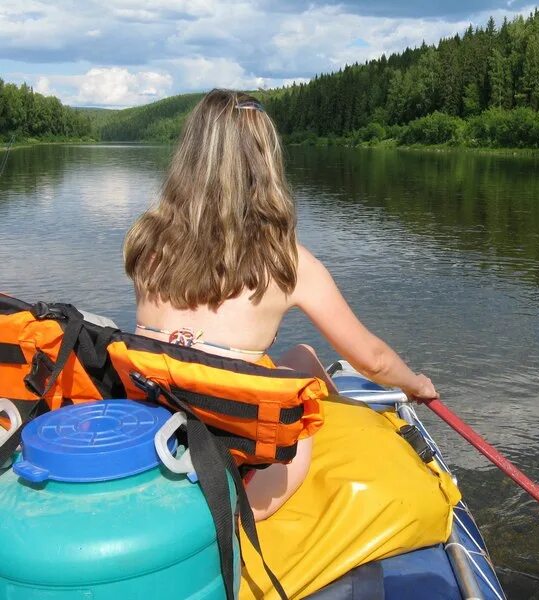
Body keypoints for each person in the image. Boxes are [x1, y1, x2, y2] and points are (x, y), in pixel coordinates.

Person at [123, 89, 438, 520]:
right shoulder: (285, 260)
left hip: (170, 432)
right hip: (248, 477)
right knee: (297, 404)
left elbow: (196, 339)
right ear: (266, 161)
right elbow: (375, 361)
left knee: (302, 358)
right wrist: (416, 385)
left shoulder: (147, 243)